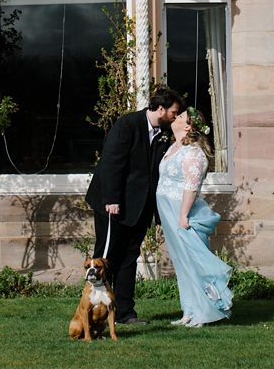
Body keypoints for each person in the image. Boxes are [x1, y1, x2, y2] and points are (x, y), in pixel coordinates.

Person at [86, 86, 186, 326]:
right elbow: (112, 163)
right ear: (160, 108)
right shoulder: (128, 125)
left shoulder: (163, 132)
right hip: (114, 206)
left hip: (139, 209)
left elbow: (155, 174)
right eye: (174, 111)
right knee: (105, 259)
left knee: (130, 257)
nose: (176, 116)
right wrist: (112, 199)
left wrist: (156, 209)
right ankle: (94, 313)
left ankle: (125, 313)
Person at [155, 107, 233, 327]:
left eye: (181, 116)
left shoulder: (194, 153)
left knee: (194, 261)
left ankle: (206, 310)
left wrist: (183, 216)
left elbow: (191, 187)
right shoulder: (174, 148)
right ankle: (189, 309)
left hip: (184, 214)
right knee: (182, 263)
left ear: (188, 127)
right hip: (170, 212)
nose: (176, 117)